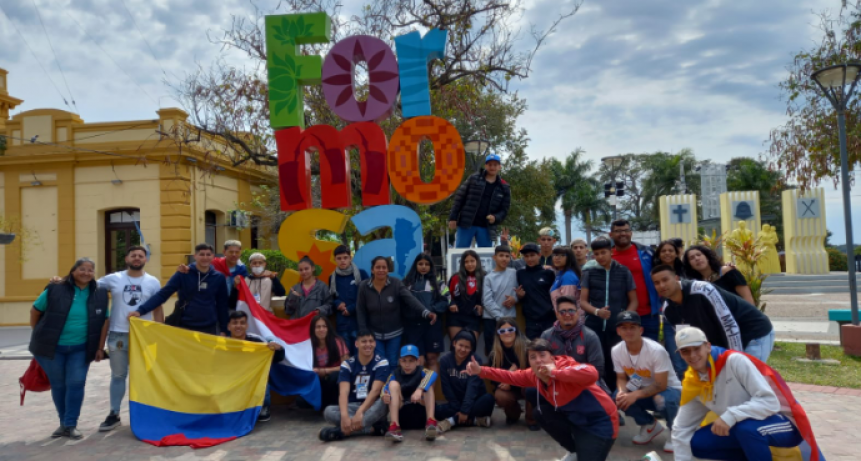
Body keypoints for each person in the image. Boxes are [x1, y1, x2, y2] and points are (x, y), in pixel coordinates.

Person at [671, 327, 820, 461]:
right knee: (697, 443)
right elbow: (681, 428)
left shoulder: (734, 361)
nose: (692, 355)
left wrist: (730, 415)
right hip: (743, 426)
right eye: (685, 351)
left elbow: (770, 402)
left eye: (697, 348)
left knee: (746, 430)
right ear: (680, 354)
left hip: (783, 422)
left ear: (708, 347)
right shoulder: (693, 382)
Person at [466, 338, 619, 461]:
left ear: (552, 357)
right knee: (541, 412)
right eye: (533, 357)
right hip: (576, 420)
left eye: (542, 355)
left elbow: (592, 373)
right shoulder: (532, 375)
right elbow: (509, 376)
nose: (538, 360)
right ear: (529, 362)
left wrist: (556, 373)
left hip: (600, 423)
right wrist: (480, 370)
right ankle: (574, 450)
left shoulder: (565, 366)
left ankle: (584, 449)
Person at [29, 258, 110, 440]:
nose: (86, 273)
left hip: (81, 349)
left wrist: (100, 347)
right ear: (73, 271)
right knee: (59, 385)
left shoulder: (100, 293)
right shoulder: (55, 289)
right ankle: (63, 424)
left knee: (76, 383)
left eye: (90, 270)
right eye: (82, 269)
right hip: (52, 349)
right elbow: (35, 311)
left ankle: (71, 424)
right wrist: (39, 334)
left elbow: (105, 321)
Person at [96, 246, 163, 432]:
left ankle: (147, 413)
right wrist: (61, 281)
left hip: (144, 336)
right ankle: (114, 413)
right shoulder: (113, 279)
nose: (137, 258)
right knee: (118, 376)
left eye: (141, 256)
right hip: (118, 335)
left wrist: (160, 333)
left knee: (144, 376)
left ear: (146, 260)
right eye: (133, 255)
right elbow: (86, 284)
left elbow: (158, 308)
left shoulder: (153, 282)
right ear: (126, 258)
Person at [652, 265, 775, 362]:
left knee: (747, 379)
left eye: (665, 280)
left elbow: (729, 324)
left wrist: (735, 360)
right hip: (722, 343)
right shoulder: (668, 310)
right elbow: (687, 338)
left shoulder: (703, 289)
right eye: (656, 283)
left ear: (676, 278)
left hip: (753, 332)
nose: (661, 285)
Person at [612, 311, 681, 454]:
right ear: (618, 331)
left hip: (668, 390)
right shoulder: (616, 350)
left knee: (667, 399)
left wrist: (635, 395)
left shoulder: (656, 350)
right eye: (624, 328)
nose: (628, 331)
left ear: (641, 330)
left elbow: (661, 384)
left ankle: (675, 432)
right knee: (617, 398)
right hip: (641, 387)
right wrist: (622, 392)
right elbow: (621, 378)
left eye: (633, 327)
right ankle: (649, 425)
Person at [132, 243, 229, 335]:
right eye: (201, 254)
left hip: (209, 327)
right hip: (185, 326)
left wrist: (224, 329)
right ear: (195, 256)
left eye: (208, 254)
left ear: (213, 256)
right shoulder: (183, 274)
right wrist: (140, 311)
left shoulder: (219, 277)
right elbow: (163, 294)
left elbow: (222, 304)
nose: (205, 257)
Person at [357, 256, 438, 366]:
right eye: (378, 267)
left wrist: (426, 312)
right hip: (374, 334)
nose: (381, 270)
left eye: (384, 267)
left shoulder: (396, 283)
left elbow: (411, 300)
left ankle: (392, 378)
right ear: (372, 270)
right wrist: (363, 332)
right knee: (379, 363)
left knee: (392, 362)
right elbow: (360, 310)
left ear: (388, 270)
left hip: (394, 334)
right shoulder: (364, 286)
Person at [580, 238, 637, 392]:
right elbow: (583, 302)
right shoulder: (589, 272)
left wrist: (625, 320)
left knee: (617, 364)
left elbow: (634, 301)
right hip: (594, 327)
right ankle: (599, 396)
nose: (600, 257)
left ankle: (618, 396)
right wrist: (597, 312)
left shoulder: (624, 271)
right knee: (596, 364)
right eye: (596, 253)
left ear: (611, 251)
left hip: (617, 329)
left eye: (603, 252)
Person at [319, 330, 390, 442]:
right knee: (328, 411)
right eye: (364, 341)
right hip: (353, 405)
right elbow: (343, 393)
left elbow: (375, 391)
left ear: (375, 343)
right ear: (356, 344)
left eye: (371, 341)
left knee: (384, 401)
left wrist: (360, 412)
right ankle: (372, 429)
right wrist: (344, 416)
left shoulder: (382, 362)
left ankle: (343, 431)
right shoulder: (347, 364)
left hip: (372, 406)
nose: (368, 344)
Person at [226, 310, 284, 422]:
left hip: (253, 380)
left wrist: (279, 349)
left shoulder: (257, 341)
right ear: (229, 326)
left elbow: (278, 358)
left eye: (242, 323)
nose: (238, 326)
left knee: (262, 377)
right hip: (232, 381)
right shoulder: (223, 343)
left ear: (247, 326)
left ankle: (263, 406)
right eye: (235, 323)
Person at [609, 219, 662, 342]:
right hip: (620, 317)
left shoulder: (647, 253)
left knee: (652, 351)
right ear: (611, 234)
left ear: (631, 233)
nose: (623, 234)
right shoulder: (606, 256)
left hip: (648, 315)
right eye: (618, 231)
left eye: (626, 230)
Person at [448, 152, 512, 248]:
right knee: (461, 251)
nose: (492, 167)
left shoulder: (504, 187)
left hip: (486, 227)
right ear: (485, 166)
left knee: (485, 253)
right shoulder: (473, 178)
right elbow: (459, 198)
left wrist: (495, 217)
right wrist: (453, 218)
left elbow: (504, 210)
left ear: (499, 167)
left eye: (495, 165)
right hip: (466, 223)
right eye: (490, 164)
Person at [436, 330, 495, 432]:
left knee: (489, 399)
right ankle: (474, 421)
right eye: (460, 345)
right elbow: (446, 387)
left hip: (474, 402)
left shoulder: (475, 361)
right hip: (456, 403)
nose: (463, 349)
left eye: (467, 347)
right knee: (436, 410)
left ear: (471, 348)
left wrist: (464, 411)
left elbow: (472, 389)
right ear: (454, 343)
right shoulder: (445, 360)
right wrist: (459, 409)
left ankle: (452, 421)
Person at [381, 345, 439, 442]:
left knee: (427, 385)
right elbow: (385, 387)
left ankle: (430, 423)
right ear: (400, 361)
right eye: (404, 361)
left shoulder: (422, 371)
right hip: (402, 414)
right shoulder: (395, 373)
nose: (407, 364)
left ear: (418, 361)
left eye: (411, 361)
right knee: (393, 384)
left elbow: (433, 374)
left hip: (421, 413)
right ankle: (395, 428)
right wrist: (384, 396)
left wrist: (420, 389)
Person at [487, 317, 537, 430]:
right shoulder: (494, 354)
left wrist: (511, 379)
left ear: (516, 331)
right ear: (498, 334)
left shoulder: (528, 349)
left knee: (532, 389)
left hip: (526, 384)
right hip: (507, 388)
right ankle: (514, 414)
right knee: (500, 396)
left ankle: (532, 419)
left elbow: (533, 375)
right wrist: (509, 376)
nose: (507, 333)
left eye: (510, 329)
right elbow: (493, 379)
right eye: (502, 331)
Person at [540, 296, 605, 380]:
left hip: (583, 381)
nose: (567, 315)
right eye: (562, 312)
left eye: (571, 311)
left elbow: (597, 370)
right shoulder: (546, 336)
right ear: (557, 314)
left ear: (578, 313)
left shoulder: (590, 336)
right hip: (555, 380)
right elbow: (541, 364)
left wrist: (572, 378)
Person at [403, 254, 448, 371]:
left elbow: (446, 300)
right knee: (418, 360)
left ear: (431, 266)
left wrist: (432, 310)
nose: (424, 267)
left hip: (432, 325)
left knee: (432, 358)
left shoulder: (438, 282)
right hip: (413, 326)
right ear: (415, 265)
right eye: (420, 264)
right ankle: (419, 384)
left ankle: (431, 384)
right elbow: (402, 302)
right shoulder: (407, 282)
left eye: (427, 264)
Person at [683, 245, 756, 305]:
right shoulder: (697, 285)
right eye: (691, 258)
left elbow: (747, 297)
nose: (696, 258)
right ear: (690, 266)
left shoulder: (727, 272)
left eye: (699, 255)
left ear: (707, 257)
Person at [330, 245, 369, 357]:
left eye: (345, 257)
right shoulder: (332, 277)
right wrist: (337, 303)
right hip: (342, 324)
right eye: (339, 258)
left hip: (359, 323)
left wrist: (351, 309)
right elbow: (331, 298)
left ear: (350, 258)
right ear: (335, 259)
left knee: (361, 355)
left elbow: (367, 297)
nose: (342, 261)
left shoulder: (361, 274)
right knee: (345, 356)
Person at [481, 245, 518, 354]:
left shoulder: (514, 273)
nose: (504, 259)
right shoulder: (488, 278)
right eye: (501, 255)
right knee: (493, 352)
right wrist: (501, 318)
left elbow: (520, 292)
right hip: (491, 320)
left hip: (510, 319)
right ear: (494, 257)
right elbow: (487, 301)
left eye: (507, 256)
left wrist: (515, 298)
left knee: (510, 352)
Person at [177, 240, 248, 296]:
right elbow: (200, 264)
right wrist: (187, 267)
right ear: (224, 252)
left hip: (234, 303)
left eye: (237, 252)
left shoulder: (242, 269)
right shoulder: (216, 263)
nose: (234, 255)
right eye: (231, 252)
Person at [516, 243, 556, 339]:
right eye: (526, 256)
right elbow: (519, 295)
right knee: (533, 346)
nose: (529, 259)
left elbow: (555, 294)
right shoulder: (520, 273)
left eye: (532, 255)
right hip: (531, 320)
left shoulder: (548, 273)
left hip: (548, 318)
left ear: (539, 255)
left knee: (550, 346)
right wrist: (520, 296)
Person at [311, 314, 350, 409]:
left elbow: (347, 366)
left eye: (324, 326)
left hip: (335, 381)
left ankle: (334, 406)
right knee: (301, 401)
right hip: (318, 381)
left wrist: (325, 371)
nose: (321, 329)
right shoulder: (309, 345)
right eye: (318, 327)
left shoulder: (338, 341)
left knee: (334, 377)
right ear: (313, 330)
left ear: (328, 328)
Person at [447, 250, 485, 341]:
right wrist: (451, 303)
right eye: (466, 262)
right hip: (456, 316)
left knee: (470, 346)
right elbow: (446, 294)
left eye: (472, 261)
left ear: (477, 261)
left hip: (474, 318)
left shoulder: (484, 277)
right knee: (456, 346)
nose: (469, 264)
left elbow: (489, 295)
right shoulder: (455, 277)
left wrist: (482, 305)